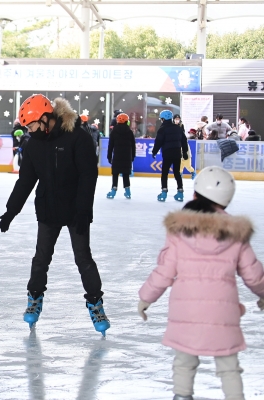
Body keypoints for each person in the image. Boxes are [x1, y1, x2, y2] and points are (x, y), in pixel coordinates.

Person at [138, 166, 264, 400]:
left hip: (186, 312)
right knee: (229, 367)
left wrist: (146, 297)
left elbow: (165, 270)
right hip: (222, 314)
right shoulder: (236, 232)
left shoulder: (179, 231)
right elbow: (254, 275)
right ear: (226, 202)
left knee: (184, 362)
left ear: (194, 195)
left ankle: (182, 396)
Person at [0, 94, 110, 336]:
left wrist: (83, 211)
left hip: (76, 211)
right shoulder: (34, 144)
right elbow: (26, 181)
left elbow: (88, 176)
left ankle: (95, 303)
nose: (29, 131)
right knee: (41, 258)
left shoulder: (77, 137)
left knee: (84, 258)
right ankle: (35, 298)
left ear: (46, 118)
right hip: (48, 209)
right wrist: (11, 211)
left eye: (32, 125)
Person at [152, 110, 188, 202]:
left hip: (167, 153)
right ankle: (180, 192)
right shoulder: (178, 128)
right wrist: (185, 152)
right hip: (177, 153)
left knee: (165, 173)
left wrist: (154, 152)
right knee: (177, 173)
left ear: (163, 119)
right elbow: (184, 141)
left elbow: (158, 142)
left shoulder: (162, 129)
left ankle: (164, 192)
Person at [106, 113, 136, 200]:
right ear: (127, 121)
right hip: (127, 157)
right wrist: (132, 156)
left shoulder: (114, 132)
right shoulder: (130, 132)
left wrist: (109, 156)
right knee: (126, 173)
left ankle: (113, 189)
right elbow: (133, 146)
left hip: (117, 156)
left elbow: (110, 145)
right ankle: (127, 191)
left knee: (115, 173)